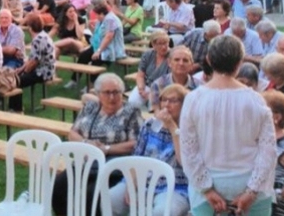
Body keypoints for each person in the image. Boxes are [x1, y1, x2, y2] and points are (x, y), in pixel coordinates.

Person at [180, 35, 277, 215]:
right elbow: (268, 150)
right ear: (240, 62)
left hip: (208, 184)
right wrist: (252, 190)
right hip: (249, 182)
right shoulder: (256, 100)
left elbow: (188, 149)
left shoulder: (193, 99)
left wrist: (206, 189)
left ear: (209, 60)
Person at [53, 73, 142, 215]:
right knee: (58, 188)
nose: (112, 97)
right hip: (86, 162)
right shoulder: (90, 107)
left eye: (116, 92)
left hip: (113, 166)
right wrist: (86, 143)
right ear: (98, 94)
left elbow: (135, 143)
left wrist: (107, 149)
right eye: (107, 93)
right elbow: (72, 133)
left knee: (90, 196)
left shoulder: (131, 111)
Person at [108, 84, 191, 216]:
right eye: (164, 100)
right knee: (111, 198)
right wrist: (131, 183)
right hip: (143, 180)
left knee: (163, 212)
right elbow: (136, 158)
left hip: (175, 187)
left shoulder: (189, 130)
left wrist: (172, 127)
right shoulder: (149, 125)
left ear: (184, 105)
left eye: (173, 101)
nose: (167, 105)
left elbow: (185, 162)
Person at [9, 14, 55, 113]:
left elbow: (34, 62)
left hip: (43, 73)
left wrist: (23, 72)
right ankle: (13, 107)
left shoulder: (38, 40)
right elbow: (31, 59)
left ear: (30, 27)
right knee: (15, 75)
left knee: (16, 81)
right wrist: (20, 70)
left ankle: (17, 109)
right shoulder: (43, 35)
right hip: (44, 69)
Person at [77, 0, 125, 71]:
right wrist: (90, 28)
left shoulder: (110, 19)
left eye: (96, 14)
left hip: (111, 49)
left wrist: (98, 51)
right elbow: (98, 35)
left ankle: (93, 82)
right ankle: (74, 80)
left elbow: (109, 37)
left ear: (101, 13)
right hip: (100, 46)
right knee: (83, 55)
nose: (95, 16)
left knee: (95, 60)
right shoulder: (101, 19)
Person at [128, 30, 171, 109]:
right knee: (132, 102)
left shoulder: (172, 56)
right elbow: (140, 75)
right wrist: (141, 90)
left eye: (166, 43)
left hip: (164, 89)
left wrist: (154, 95)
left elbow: (171, 81)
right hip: (147, 85)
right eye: (160, 44)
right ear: (153, 44)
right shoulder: (148, 54)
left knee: (153, 106)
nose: (164, 46)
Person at [149, 45, 197, 111]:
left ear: (191, 65)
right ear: (169, 63)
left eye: (185, 60)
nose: (181, 63)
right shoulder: (158, 85)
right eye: (176, 60)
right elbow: (157, 112)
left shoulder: (200, 86)